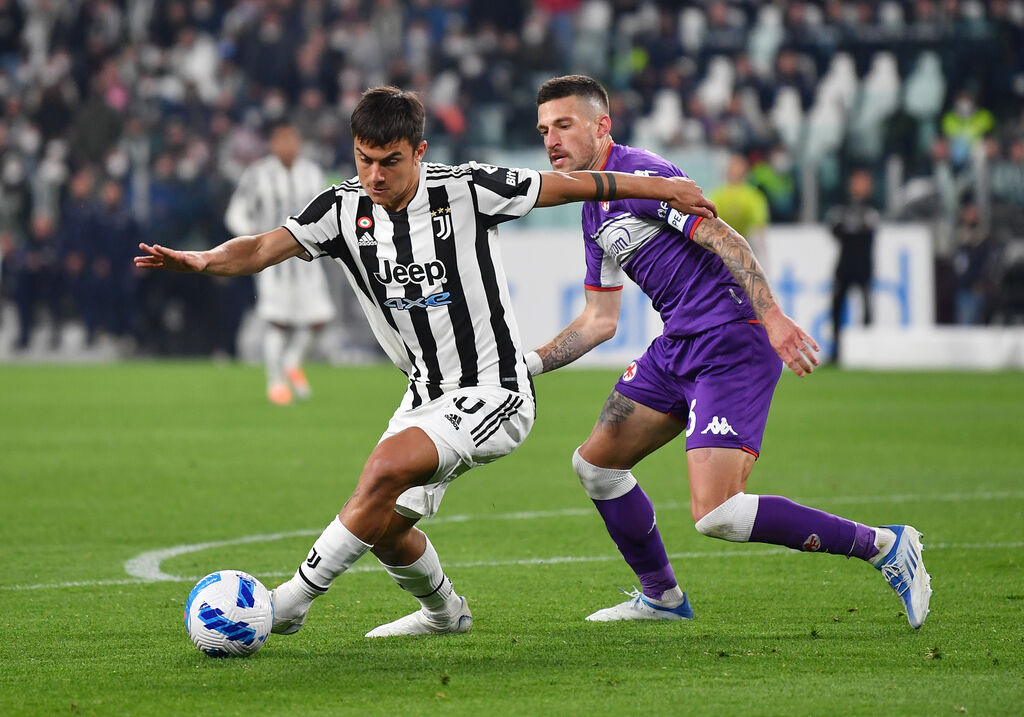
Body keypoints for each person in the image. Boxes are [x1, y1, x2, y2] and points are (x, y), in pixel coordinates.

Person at [135, 86, 718, 638]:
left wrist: (665, 190)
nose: (375, 175)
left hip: (494, 390)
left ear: (420, 152)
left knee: (385, 468)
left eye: (390, 161)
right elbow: (264, 247)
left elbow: (569, 185)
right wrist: (205, 260)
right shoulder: (341, 208)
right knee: (383, 526)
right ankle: (445, 614)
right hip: (424, 391)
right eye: (364, 160)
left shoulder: (467, 190)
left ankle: (290, 604)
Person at [529, 75, 931, 628]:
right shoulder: (590, 206)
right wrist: (529, 364)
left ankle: (886, 546)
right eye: (544, 129)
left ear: (602, 127)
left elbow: (725, 238)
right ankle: (662, 598)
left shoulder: (645, 175)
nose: (551, 140)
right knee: (596, 466)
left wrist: (771, 318)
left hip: (732, 339)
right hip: (678, 344)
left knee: (717, 513)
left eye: (564, 125)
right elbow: (600, 320)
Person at [225, 123, 336, 405]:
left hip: (306, 259)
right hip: (273, 261)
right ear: (273, 144)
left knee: (320, 317)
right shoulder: (258, 174)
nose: (288, 146)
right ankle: (275, 383)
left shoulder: (312, 173)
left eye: (292, 140)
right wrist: (252, 237)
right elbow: (236, 212)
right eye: (282, 140)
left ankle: (292, 361)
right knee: (277, 322)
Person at [826, 169, 880, 363]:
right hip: (845, 265)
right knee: (837, 308)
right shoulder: (843, 206)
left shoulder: (873, 207)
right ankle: (835, 351)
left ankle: (868, 351)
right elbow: (835, 229)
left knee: (866, 309)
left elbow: (868, 231)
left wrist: (851, 228)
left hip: (863, 266)